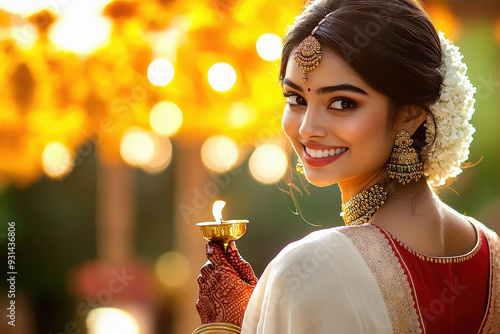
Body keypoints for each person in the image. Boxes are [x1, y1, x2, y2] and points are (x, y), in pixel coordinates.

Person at [193, 0, 500, 333]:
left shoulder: (306, 271)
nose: (308, 128)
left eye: (342, 103)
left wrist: (222, 325)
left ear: (411, 115)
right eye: (296, 98)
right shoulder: (494, 256)